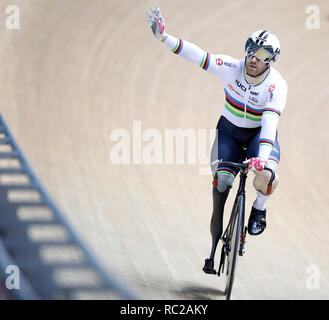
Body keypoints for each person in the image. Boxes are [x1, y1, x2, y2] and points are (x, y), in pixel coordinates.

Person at [146, 8, 288, 275]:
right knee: (221, 184)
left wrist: (264, 156)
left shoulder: (276, 86)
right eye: (251, 50)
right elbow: (199, 56)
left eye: (263, 56)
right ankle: (212, 248)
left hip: (259, 137)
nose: (254, 59)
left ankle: (259, 209)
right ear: (245, 49)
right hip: (229, 133)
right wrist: (165, 38)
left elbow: (270, 123)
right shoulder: (232, 68)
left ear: (271, 61)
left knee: (268, 177)